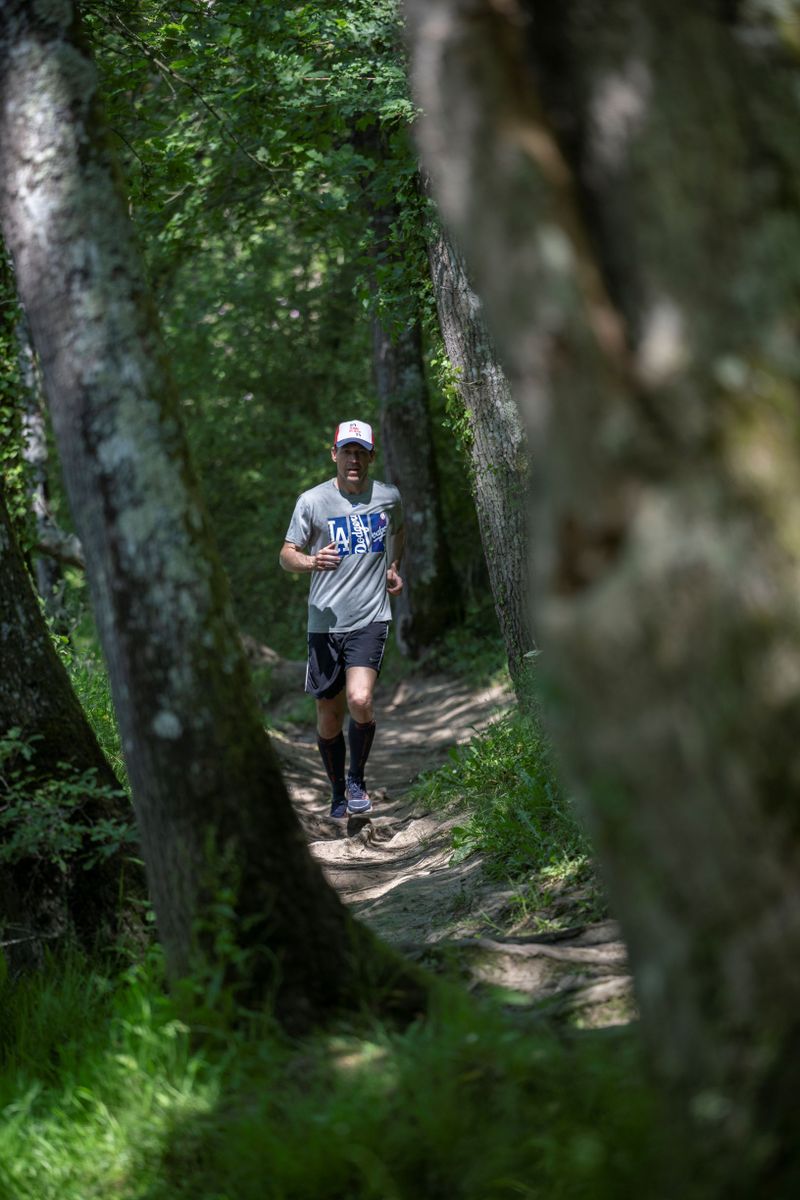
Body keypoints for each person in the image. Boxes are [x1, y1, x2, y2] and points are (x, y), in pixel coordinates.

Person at [280, 419, 404, 818]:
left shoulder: (387, 496)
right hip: (324, 623)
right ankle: (336, 792)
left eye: (360, 451)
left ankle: (356, 781)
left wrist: (392, 565)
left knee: (360, 699)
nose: (354, 458)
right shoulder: (312, 502)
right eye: (346, 450)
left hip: (370, 617)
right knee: (328, 717)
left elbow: (398, 531)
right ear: (334, 455)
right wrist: (312, 561)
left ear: (371, 456)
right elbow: (286, 554)